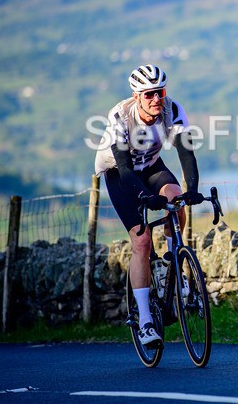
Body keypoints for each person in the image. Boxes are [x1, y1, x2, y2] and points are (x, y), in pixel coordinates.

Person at [94, 64, 203, 348]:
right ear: (137, 96)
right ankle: (144, 321)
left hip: (152, 165)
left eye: (161, 92)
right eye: (150, 94)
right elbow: (126, 169)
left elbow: (186, 155)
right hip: (121, 174)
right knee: (141, 241)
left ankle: (171, 264)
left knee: (176, 198)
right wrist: (145, 197)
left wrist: (191, 191)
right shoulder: (120, 116)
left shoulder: (172, 110)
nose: (157, 99)